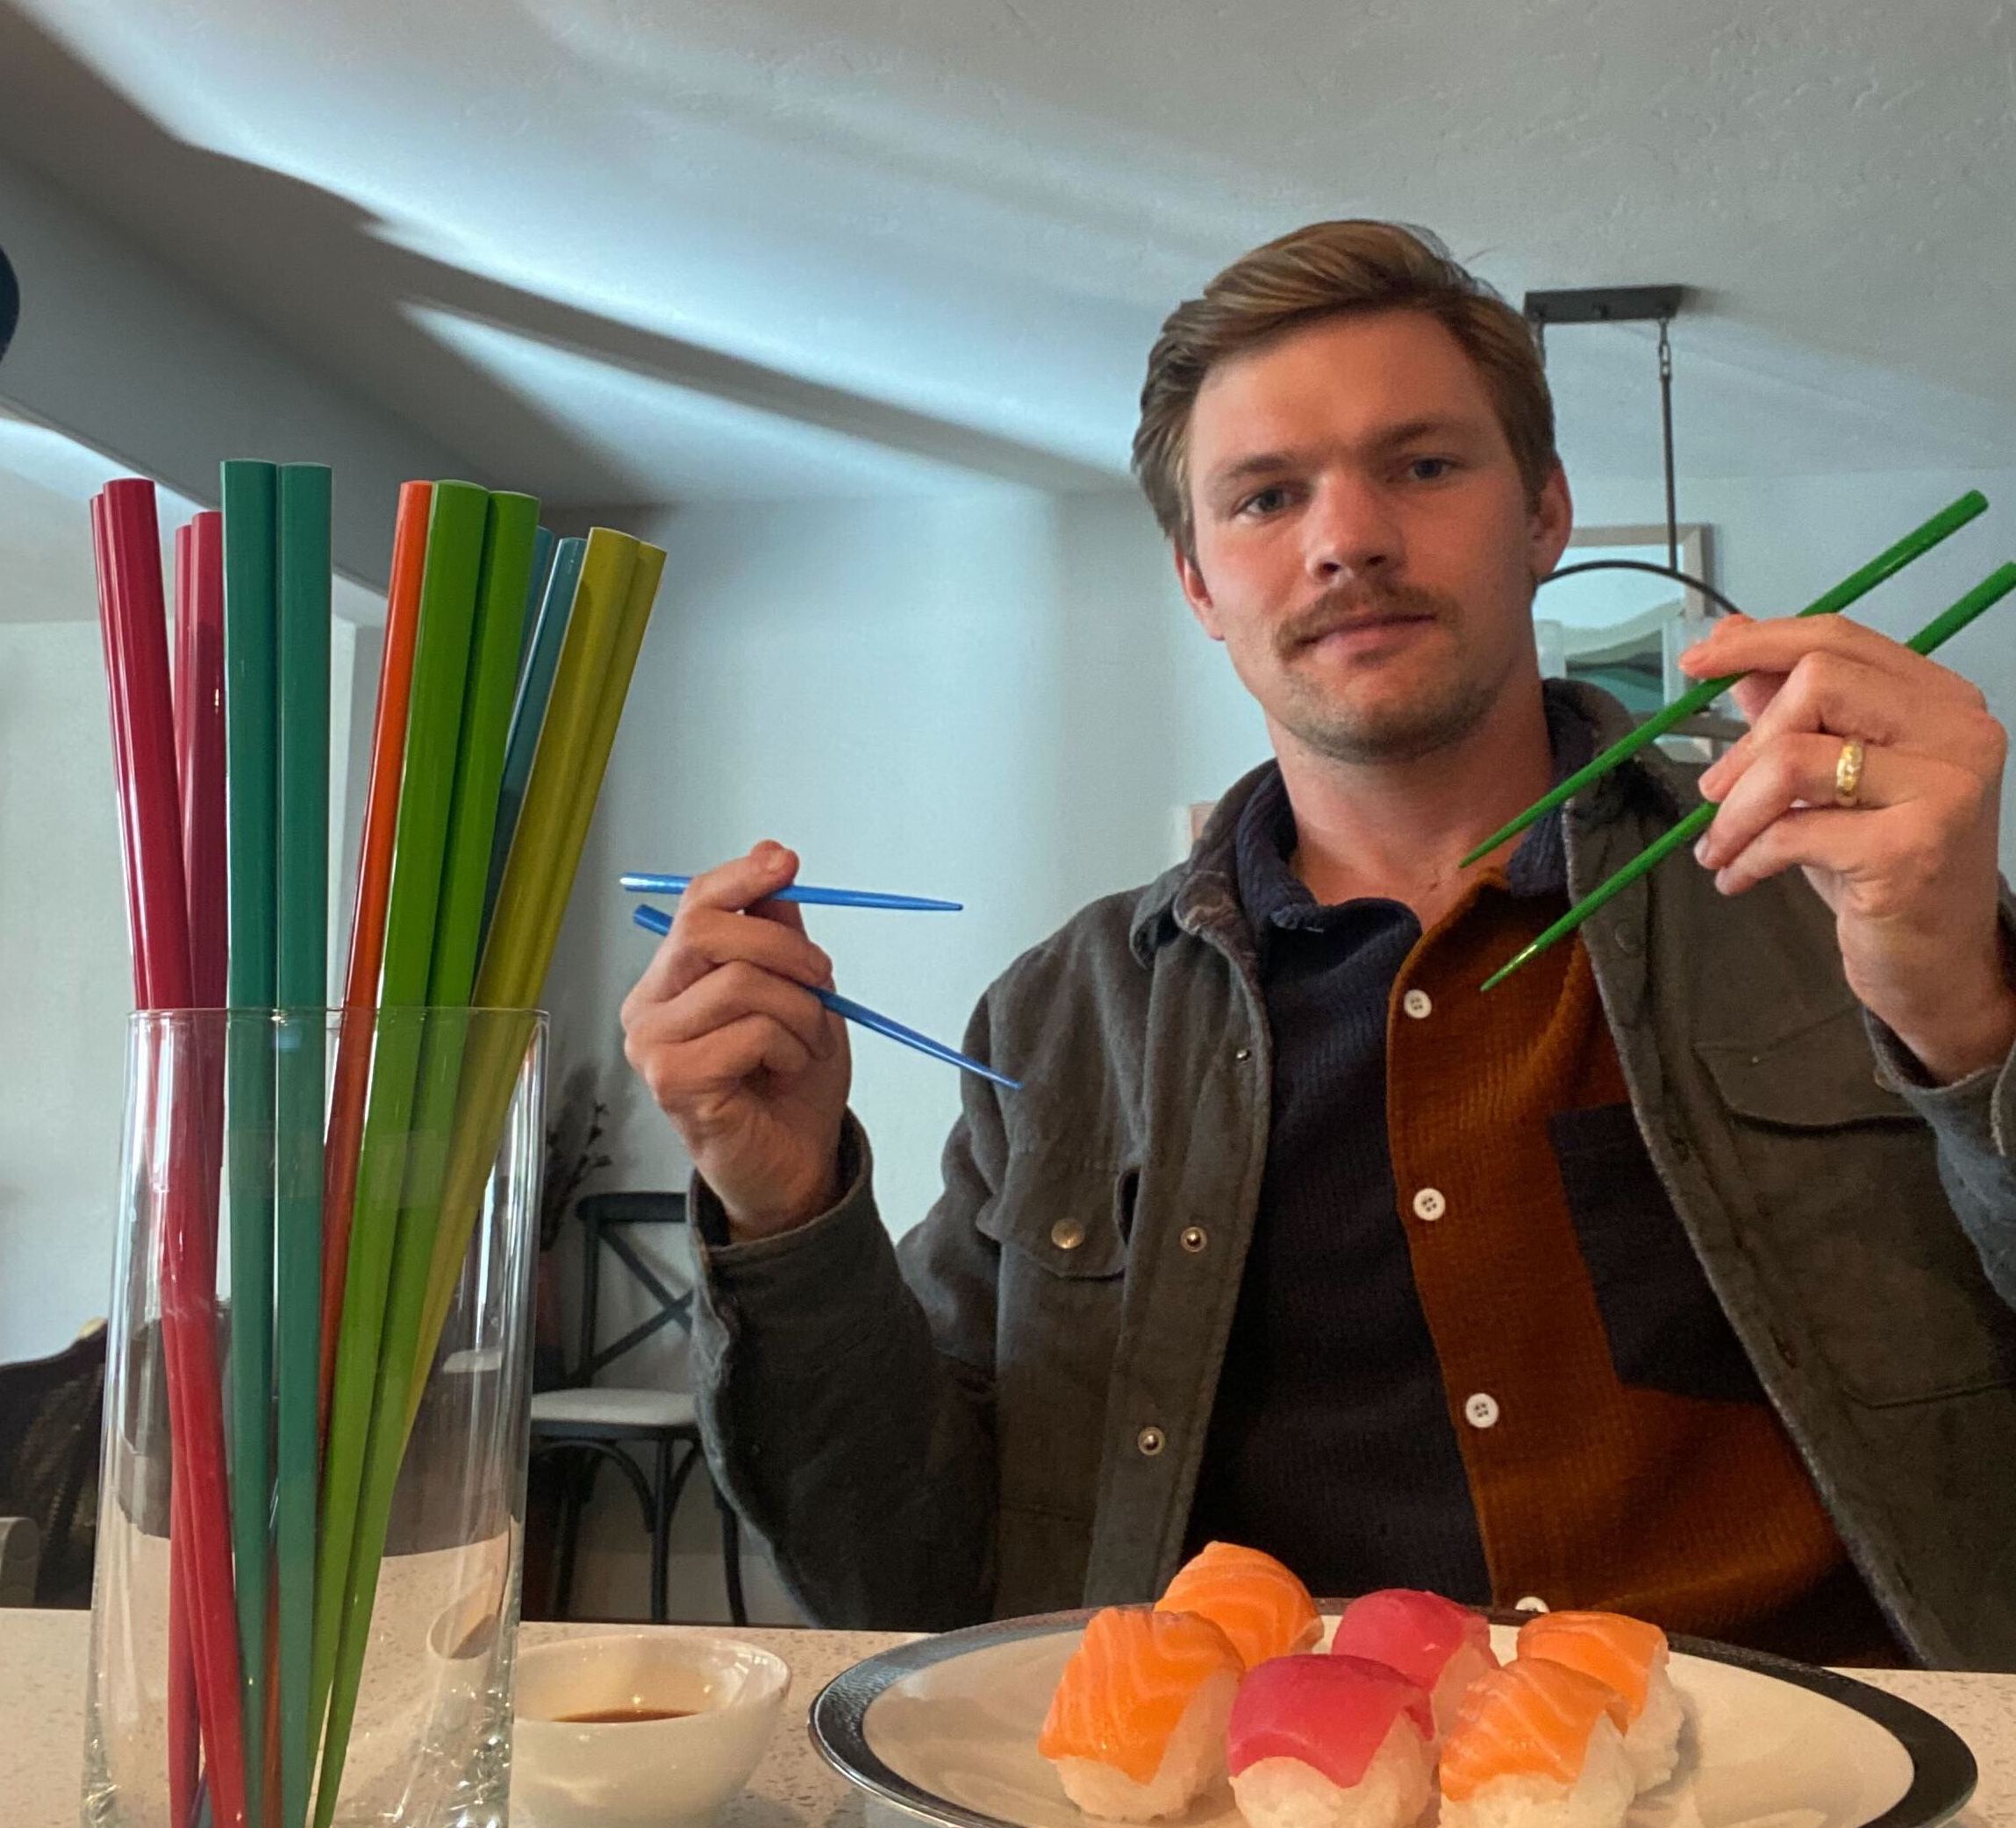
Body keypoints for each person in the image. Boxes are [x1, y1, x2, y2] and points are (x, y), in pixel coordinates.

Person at [620, 221, 2016, 1667]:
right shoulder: (1061, 1018)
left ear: (1544, 513)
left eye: (1422, 466)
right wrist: (783, 1208)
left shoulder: (1829, 895)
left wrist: (1968, 1024)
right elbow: (906, 1578)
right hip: (1258, 1787)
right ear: (1197, 584)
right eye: (1266, 496)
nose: (1346, 538)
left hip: (1829, 1769)